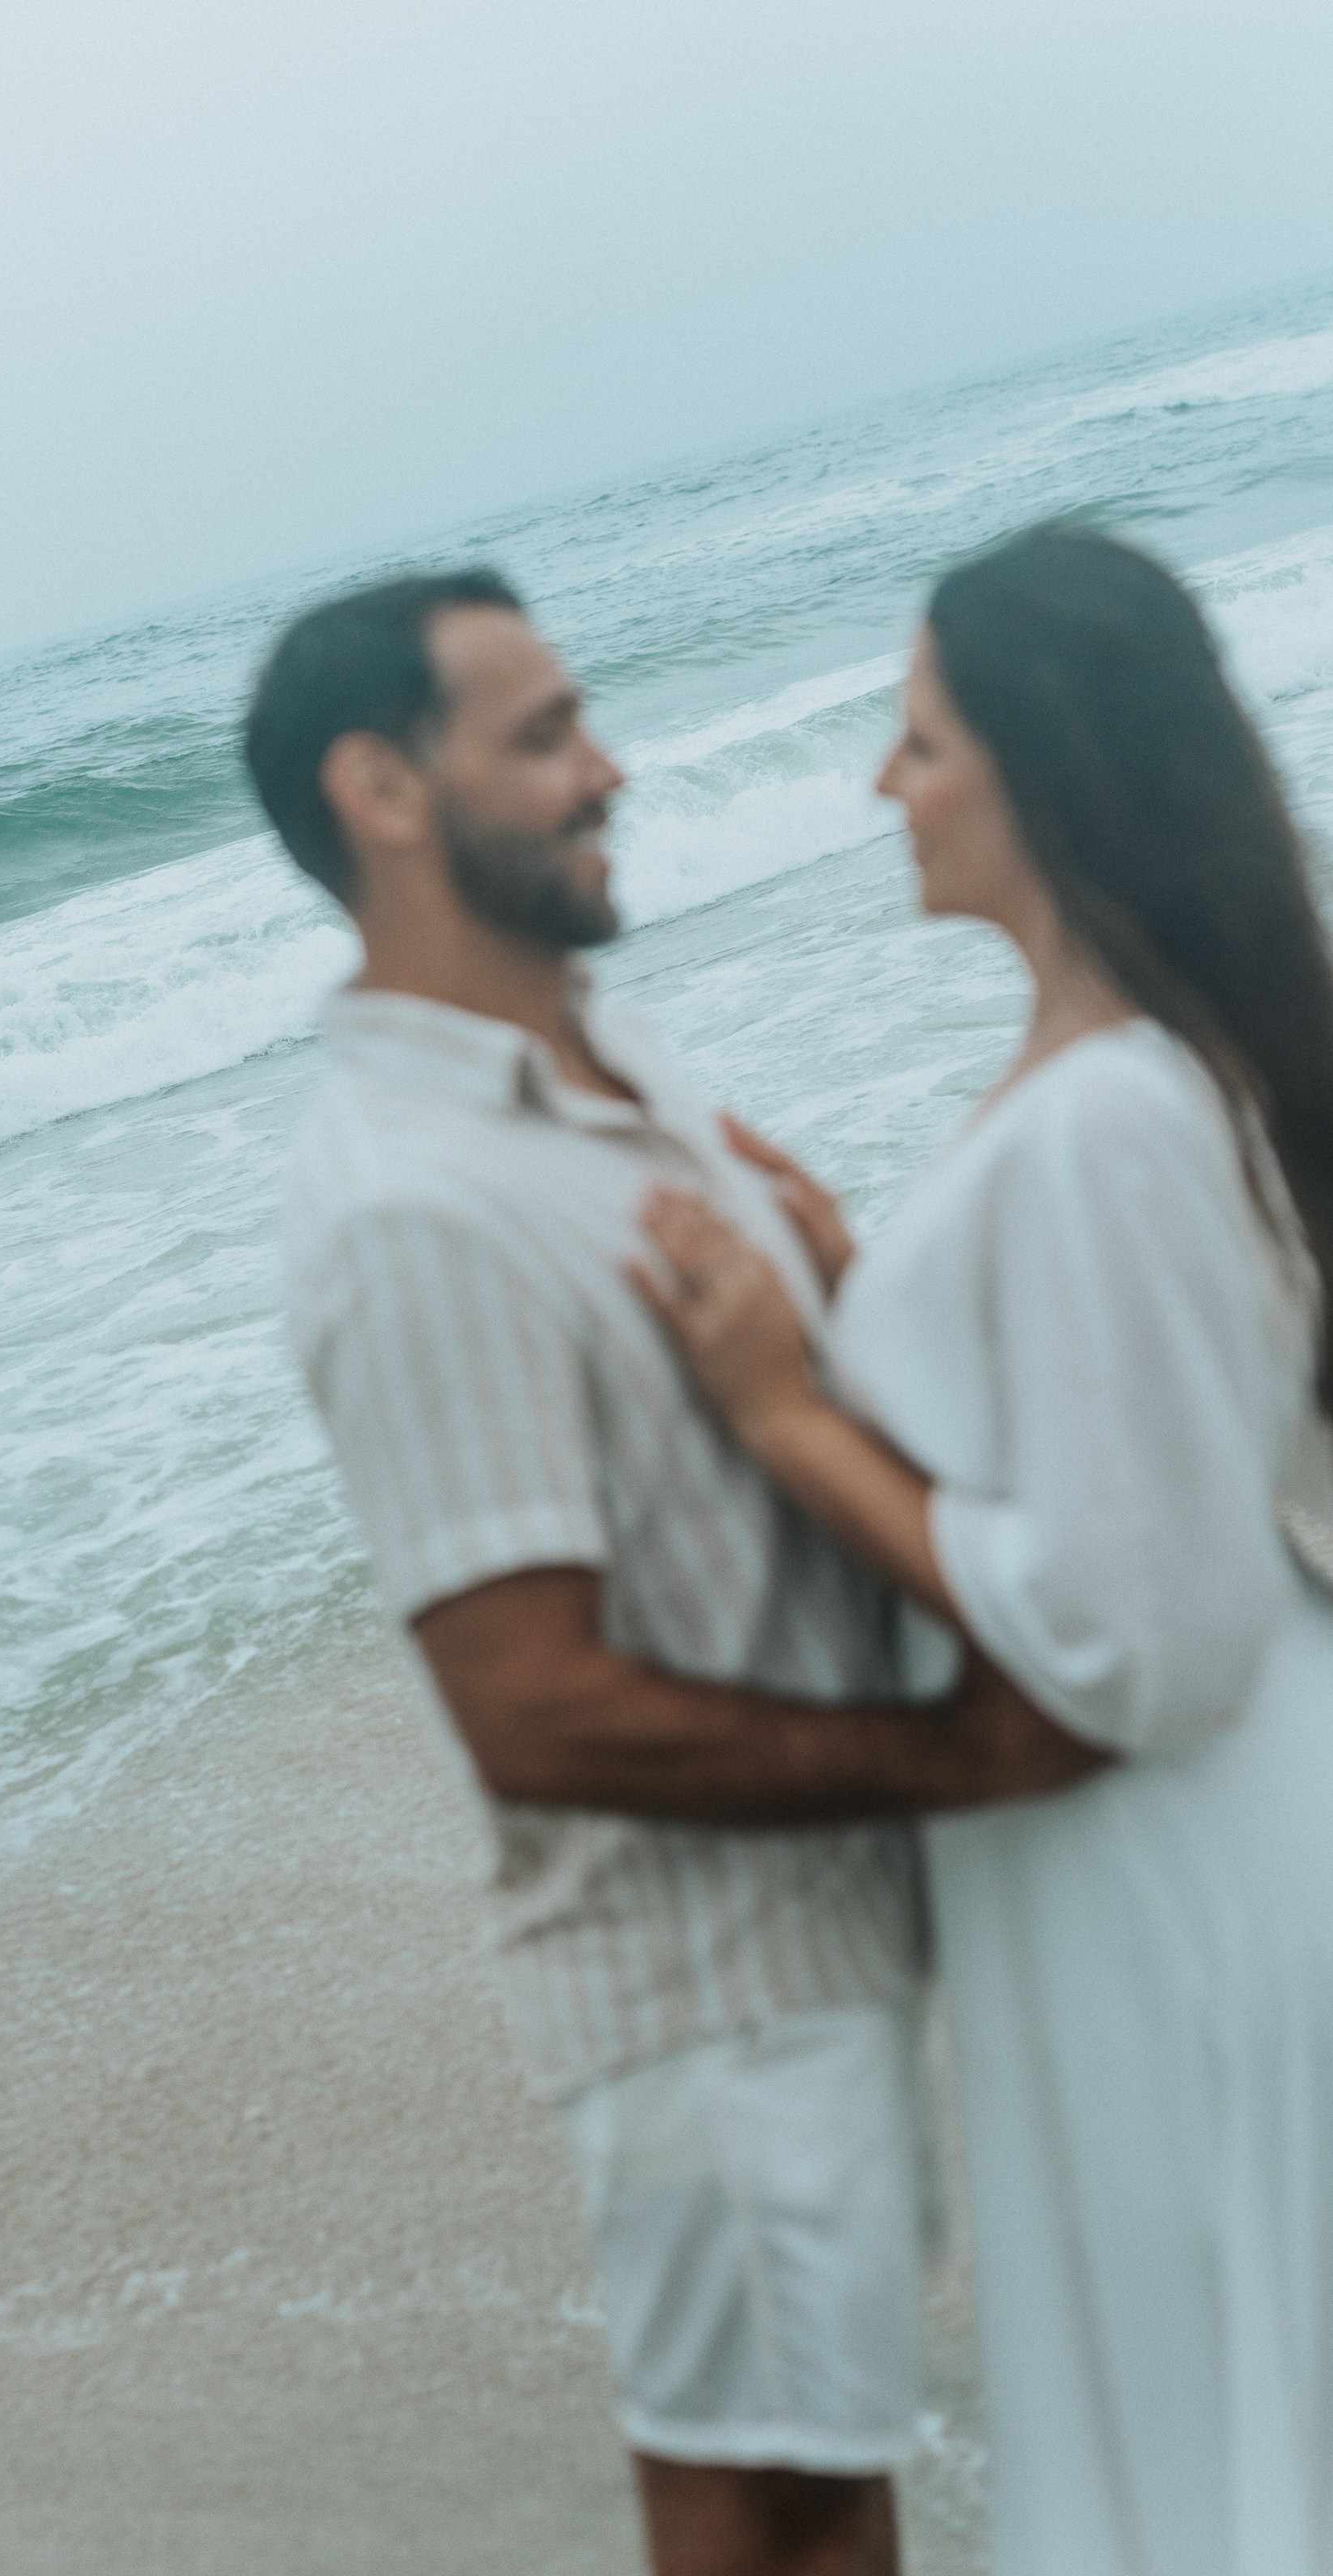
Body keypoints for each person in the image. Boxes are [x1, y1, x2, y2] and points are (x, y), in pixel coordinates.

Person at [243, 569, 1098, 2576]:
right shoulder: (410, 1206)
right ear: (382, 790)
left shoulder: (602, 1060)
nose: (607, 768)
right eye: (541, 735)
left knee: (823, 2494)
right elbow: (531, 1708)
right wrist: (966, 1758)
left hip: (838, 1937)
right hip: (711, 1995)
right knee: (764, 2515)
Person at [637, 522, 1333, 2576]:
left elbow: (1138, 1629)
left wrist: (784, 1410)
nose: (882, 782)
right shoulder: (1122, 1075)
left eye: (921, 740)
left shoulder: (1103, 1112)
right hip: (1154, 1855)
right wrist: (870, 1296)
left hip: (1169, 1859)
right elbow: (1108, 1444)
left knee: (1217, 2440)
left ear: (1042, 766)